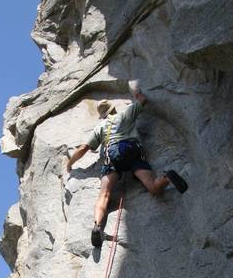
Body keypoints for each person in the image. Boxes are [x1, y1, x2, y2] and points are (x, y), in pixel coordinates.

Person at [66, 88, 188, 247]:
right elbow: (143, 100)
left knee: (104, 195)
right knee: (153, 187)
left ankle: (97, 226)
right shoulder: (124, 115)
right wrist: (136, 92)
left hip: (113, 155)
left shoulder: (100, 127)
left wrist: (70, 163)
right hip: (132, 149)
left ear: (102, 115)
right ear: (113, 109)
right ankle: (166, 178)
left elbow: (83, 148)